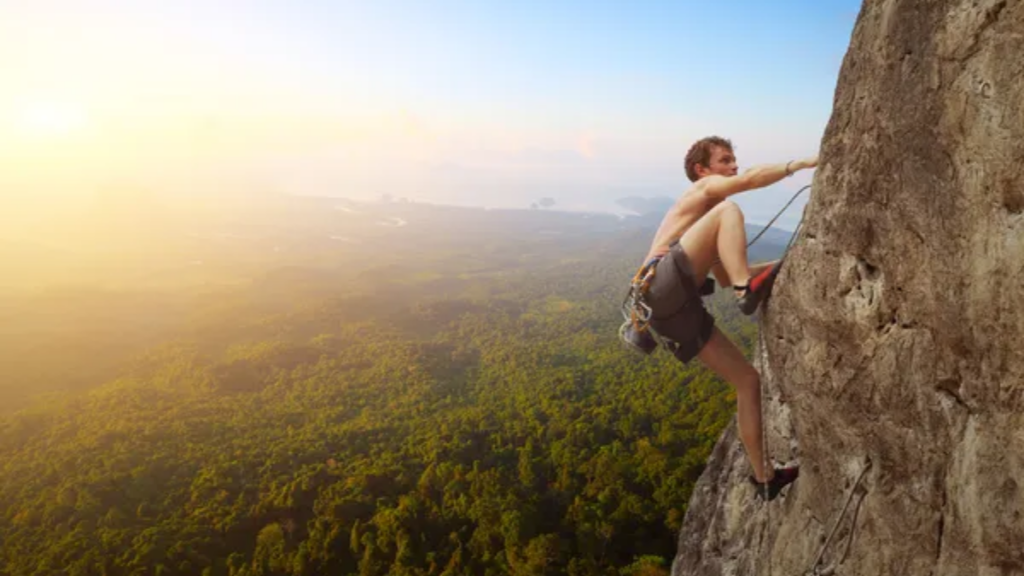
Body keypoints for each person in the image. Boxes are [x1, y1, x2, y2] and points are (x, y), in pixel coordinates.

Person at [636, 136, 817, 501]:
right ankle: (745, 291)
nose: (734, 166)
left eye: (734, 160)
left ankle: (764, 477)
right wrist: (799, 165)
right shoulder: (704, 192)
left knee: (748, 381)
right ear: (703, 170)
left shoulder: (707, 228)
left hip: (668, 312)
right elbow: (749, 182)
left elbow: (725, 274)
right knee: (729, 209)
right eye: (725, 160)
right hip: (661, 287)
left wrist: (792, 261)